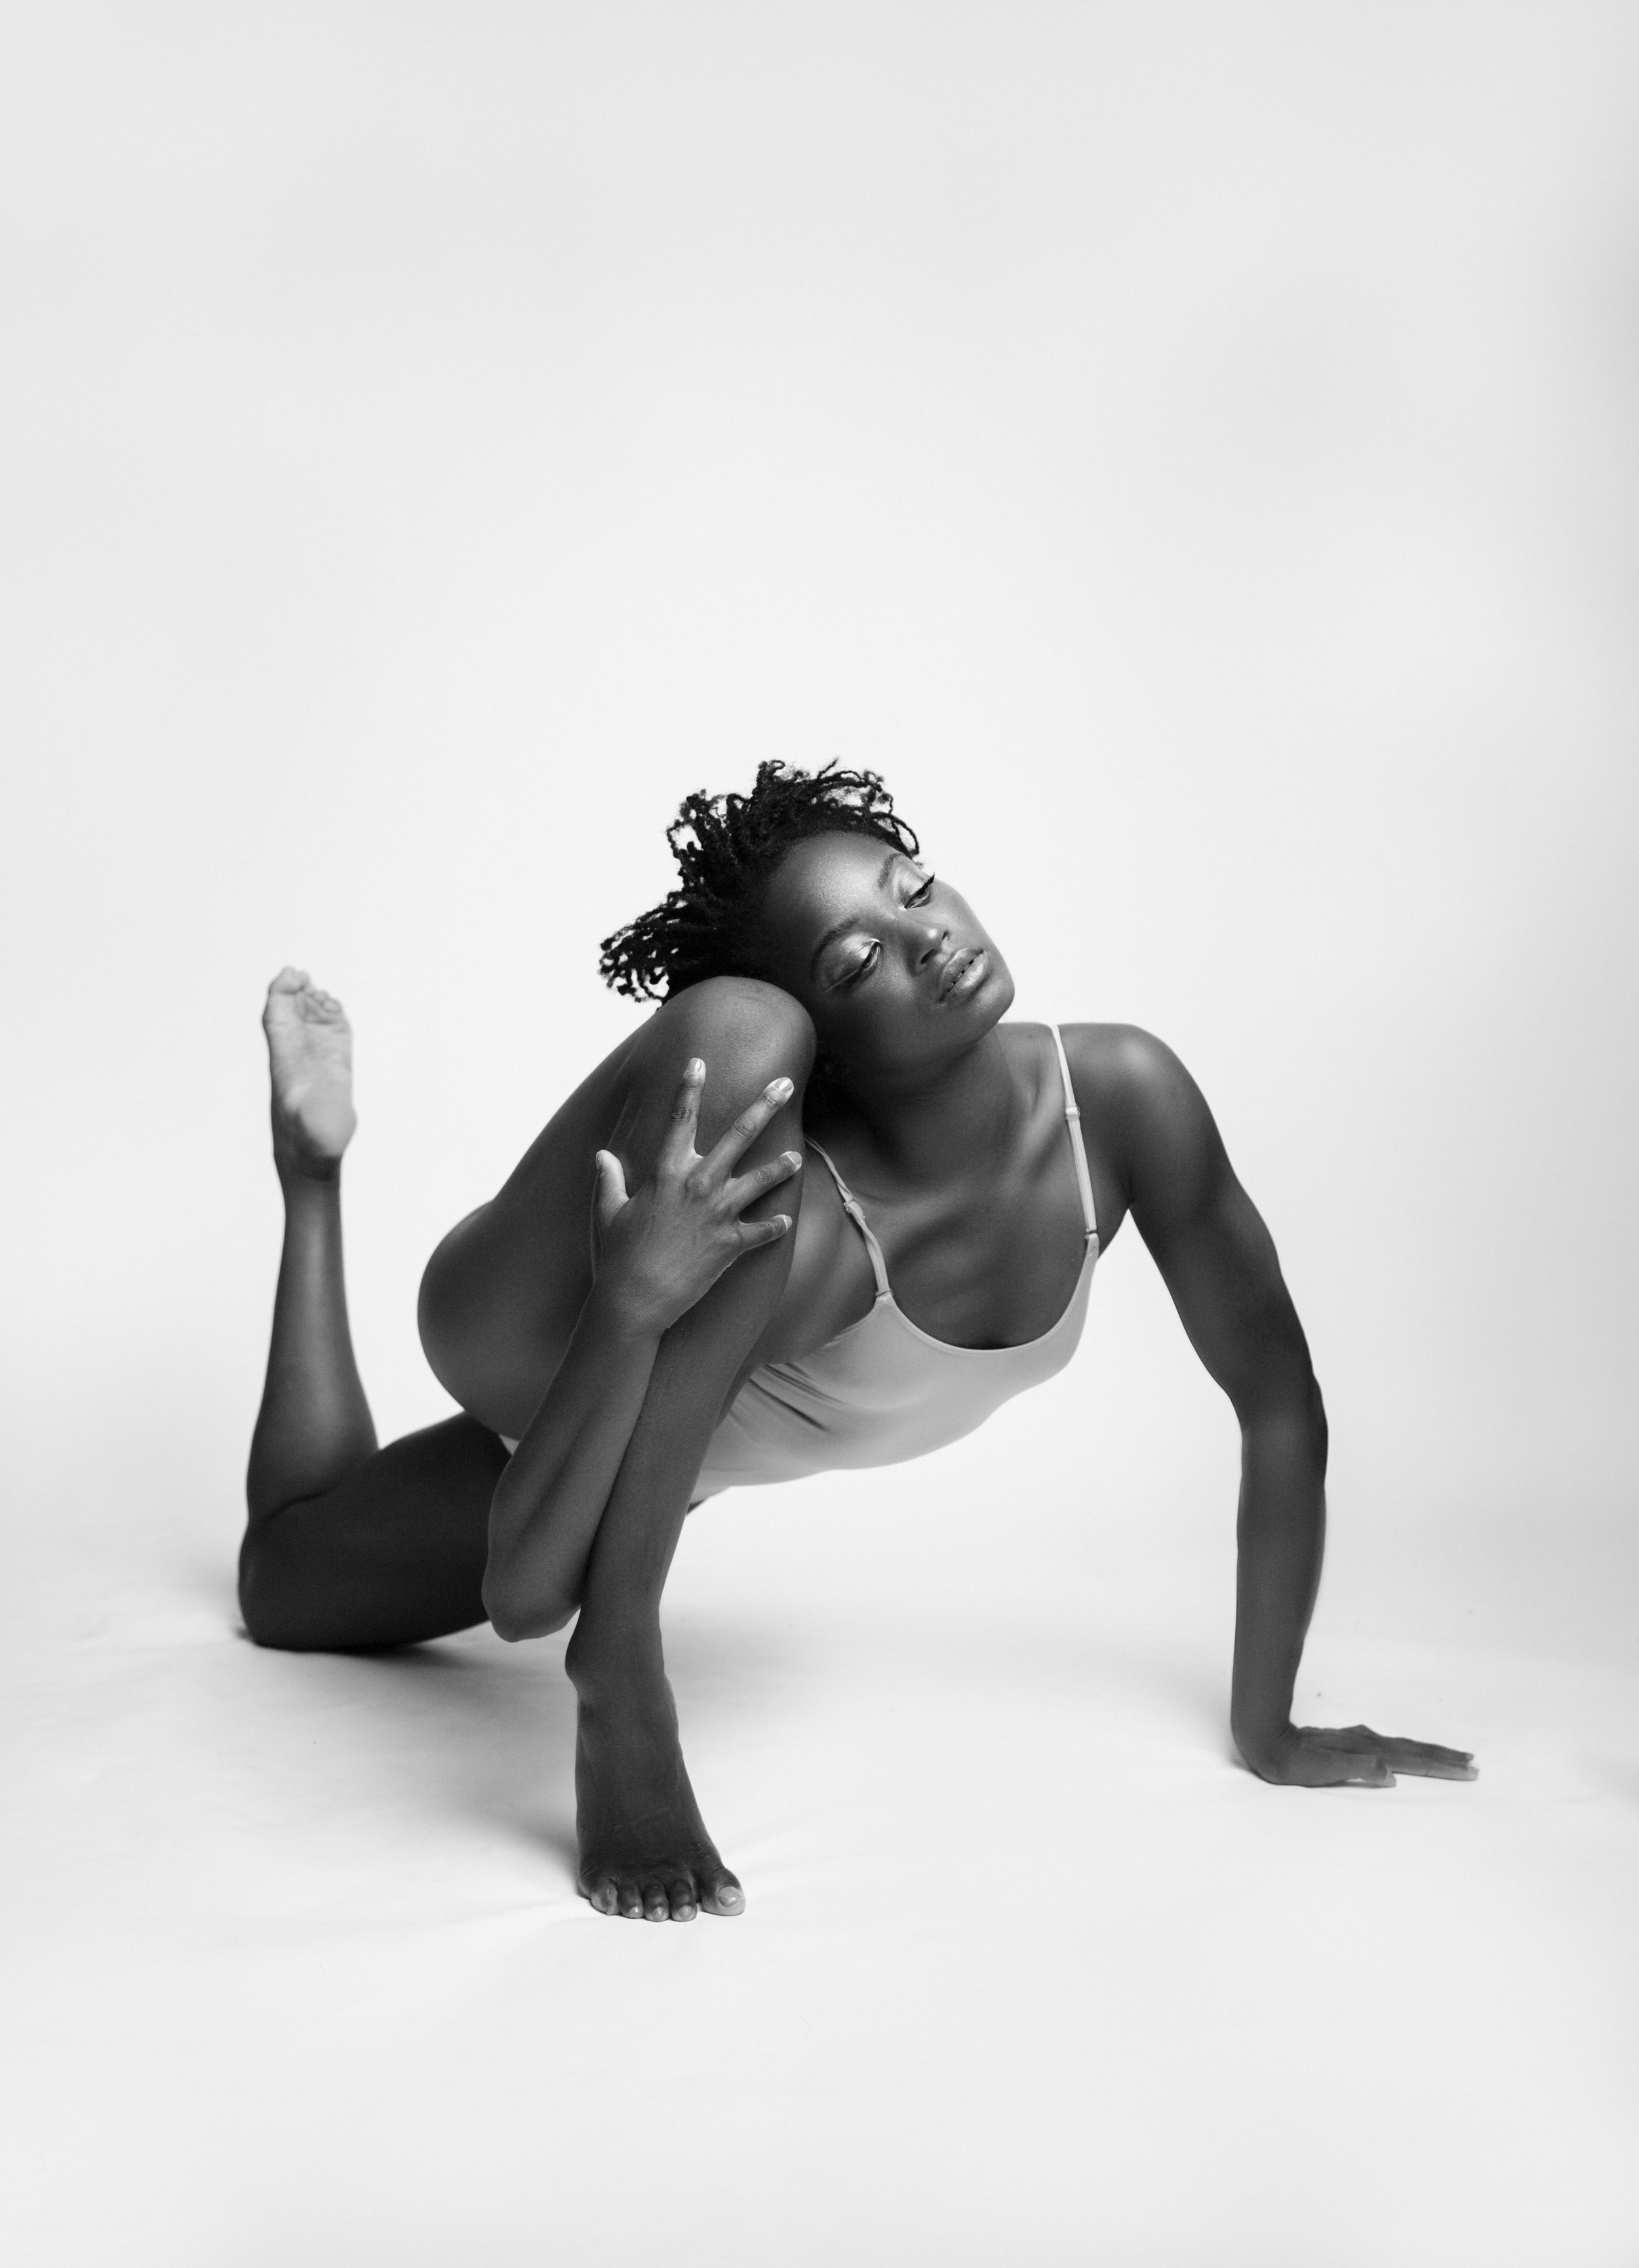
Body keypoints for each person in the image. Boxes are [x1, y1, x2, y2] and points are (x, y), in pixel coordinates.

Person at [241, 761, 1476, 1923]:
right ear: (830, 1040)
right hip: (549, 1316)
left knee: (281, 1588)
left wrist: (1271, 1729)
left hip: (659, 1417)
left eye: (916, 889)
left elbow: (1279, 1404)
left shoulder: (1128, 1099)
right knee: (736, 1033)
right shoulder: (793, 1214)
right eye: (858, 960)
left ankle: (311, 1167)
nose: (930, 938)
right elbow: (530, 1596)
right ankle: (635, 1243)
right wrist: (627, 1305)